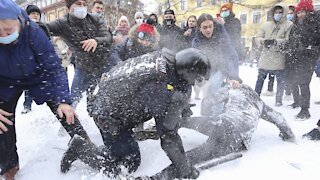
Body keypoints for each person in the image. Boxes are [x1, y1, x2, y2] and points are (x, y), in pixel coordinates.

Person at [60, 48, 211, 179]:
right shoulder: (161, 87)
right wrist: (185, 170)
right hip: (108, 116)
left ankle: (110, 146)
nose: (195, 83)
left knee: (124, 147)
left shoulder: (163, 60)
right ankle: (81, 149)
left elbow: (178, 87)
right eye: (197, 79)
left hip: (108, 99)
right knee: (128, 162)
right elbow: (168, 136)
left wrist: (182, 107)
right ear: (187, 72)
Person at [0, 1, 89, 179]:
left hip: (37, 76)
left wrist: (63, 100)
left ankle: (86, 147)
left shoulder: (34, 32)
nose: (3, 36)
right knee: (2, 121)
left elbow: (53, 68)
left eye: (8, 31)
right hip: (5, 82)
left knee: (63, 108)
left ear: (19, 21)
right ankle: (9, 165)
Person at [145, 84, 295, 179]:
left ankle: (164, 130)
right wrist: (288, 136)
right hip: (234, 135)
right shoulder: (260, 104)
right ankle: (161, 175)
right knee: (197, 154)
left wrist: (208, 112)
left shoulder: (235, 90)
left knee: (189, 123)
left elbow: (208, 101)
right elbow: (280, 119)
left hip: (221, 124)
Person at [46, 0, 113, 108]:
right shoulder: (63, 23)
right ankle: (69, 121)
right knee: (73, 99)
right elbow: (43, 28)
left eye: (84, 4)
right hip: (84, 68)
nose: (82, 7)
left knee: (111, 93)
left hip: (104, 64)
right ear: (69, 7)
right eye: (78, 4)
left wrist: (96, 40)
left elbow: (108, 38)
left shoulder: (95, 18)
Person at [192, 13, 241, 117]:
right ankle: (208, 113)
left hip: (222, 67)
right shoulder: (196, 42)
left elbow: (231, 56)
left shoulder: (221, 37)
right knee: (206, 91)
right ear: (199, 28)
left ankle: (217, 116)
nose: (208, 30)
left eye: (210, 26)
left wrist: (234, 76)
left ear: (214, 25)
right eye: (205, 27)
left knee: (214, 86)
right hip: (208, 70)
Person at [254, 3, 293, 107]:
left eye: (280, 12)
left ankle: (279, 99)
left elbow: (288, 40)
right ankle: (255, 97)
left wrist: (275, 41)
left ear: (284, 13)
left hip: (279, 56)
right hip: (266, 55)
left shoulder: (289, 25)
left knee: (280, 79)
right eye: (276, 12)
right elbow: (257, 37)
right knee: (260, 78)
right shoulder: (266, 25)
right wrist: (263, 41)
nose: (278, 14)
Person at [286, 0, 320, 119]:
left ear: (309, 11)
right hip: (297, 57)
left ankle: (305, 110)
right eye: (298, 12)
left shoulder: (315, 23)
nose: (300, 14)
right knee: (298, 81)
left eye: (303, 12)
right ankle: (299, 104)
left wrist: (312, 48)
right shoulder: (296, 25)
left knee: (304, 82)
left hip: (309, 57)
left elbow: (316, 41)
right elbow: (292, 41)